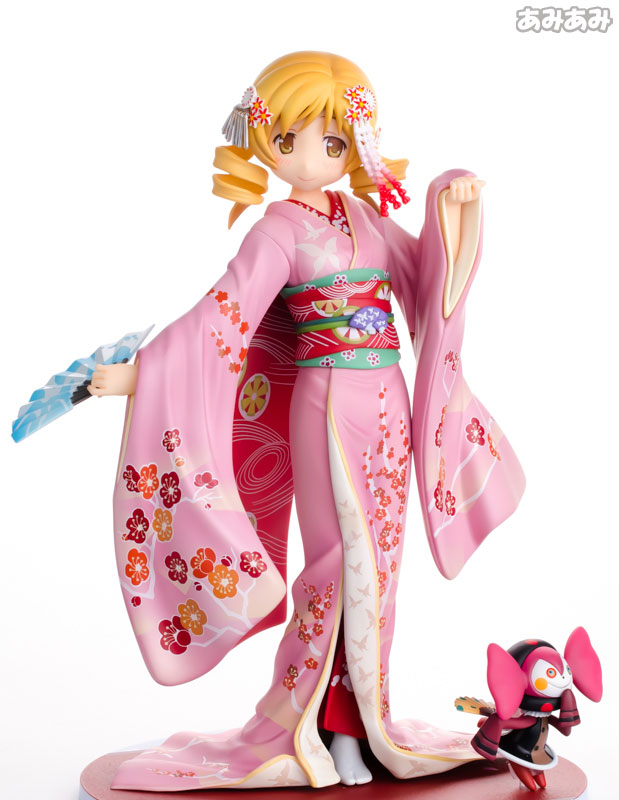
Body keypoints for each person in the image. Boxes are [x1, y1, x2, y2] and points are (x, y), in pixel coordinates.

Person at [88, 51, 525, 791]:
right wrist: (142, 375)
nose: (313, 156)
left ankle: (362, 724)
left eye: (332, 140)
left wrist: (452, 203)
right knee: (337, 564)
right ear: (267, 141)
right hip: (325, 405)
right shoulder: (276, 231)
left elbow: (427, 281)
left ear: (356, 142)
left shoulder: (365, 218)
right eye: (291, 139)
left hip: (387, 406)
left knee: (380, 571)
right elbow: (222, 318)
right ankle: (314, 727)